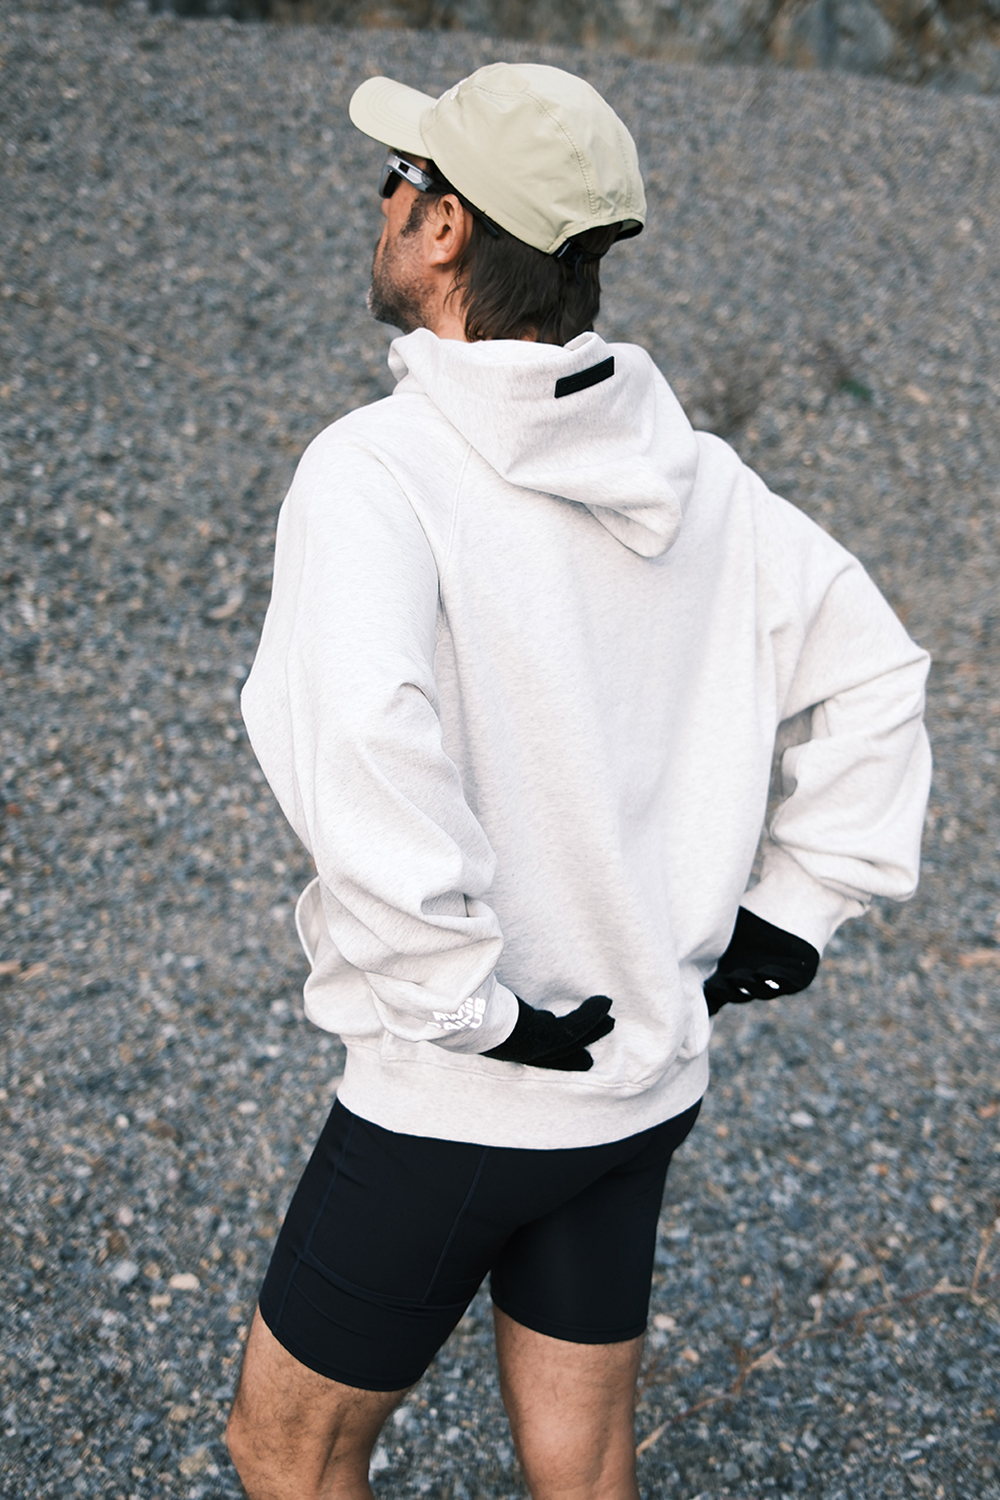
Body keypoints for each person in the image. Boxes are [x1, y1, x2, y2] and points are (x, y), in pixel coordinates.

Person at [226, 62, 931, 1500]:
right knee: (586, 1462)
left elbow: (363, 742)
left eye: (402, 179)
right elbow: (878, 668)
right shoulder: (705, 481)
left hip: (461, 1100)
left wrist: (468, 1008)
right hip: (641, 1077)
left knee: (287, 1453)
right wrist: (795, 910)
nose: (385, 199)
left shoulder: (376, 472)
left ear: (443, 228)